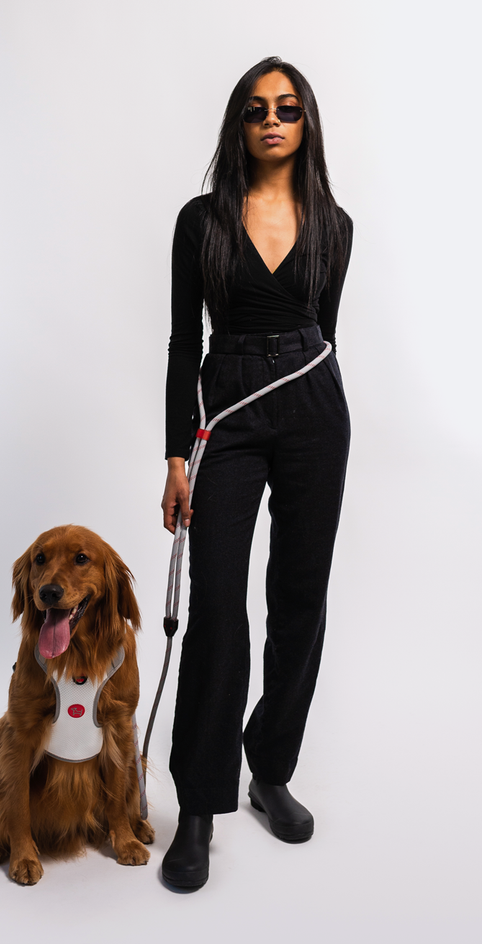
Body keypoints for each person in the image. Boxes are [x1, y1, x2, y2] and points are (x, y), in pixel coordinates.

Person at [160, 56, 353, 889]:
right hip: (228, 409)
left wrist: (311, 393)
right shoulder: (200, 220)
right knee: (216, 606)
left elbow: (325, 333)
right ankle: (199, 804)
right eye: (256, 108)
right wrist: (177, 454)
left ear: (306, 123)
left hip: (313, 407)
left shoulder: (335, 225)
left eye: (287, 107)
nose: (272, 119)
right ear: (238, 124)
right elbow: (183, 343)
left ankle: (269, 769)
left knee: (300, 600)